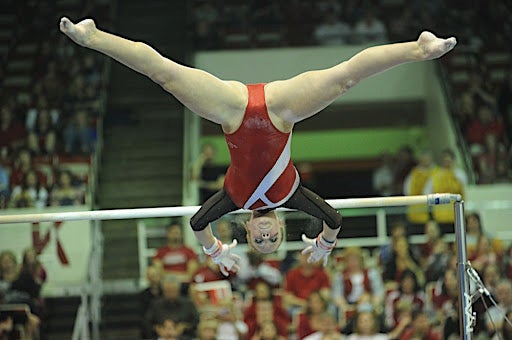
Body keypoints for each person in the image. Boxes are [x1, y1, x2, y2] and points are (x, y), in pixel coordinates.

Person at [59, 17, 457, 275]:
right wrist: (324, 244)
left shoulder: (232, 199)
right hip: (283, 111)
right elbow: (333, 218)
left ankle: (93, 37)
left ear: (248, 230)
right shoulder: (294, 195)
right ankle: (419, 49)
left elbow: (198, 223)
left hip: (231, 112)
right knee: (344, 79)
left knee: (165, 74)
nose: (265, 237)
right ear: (281, 226)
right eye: (273, 239)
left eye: (258, 240)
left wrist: (214, 250)